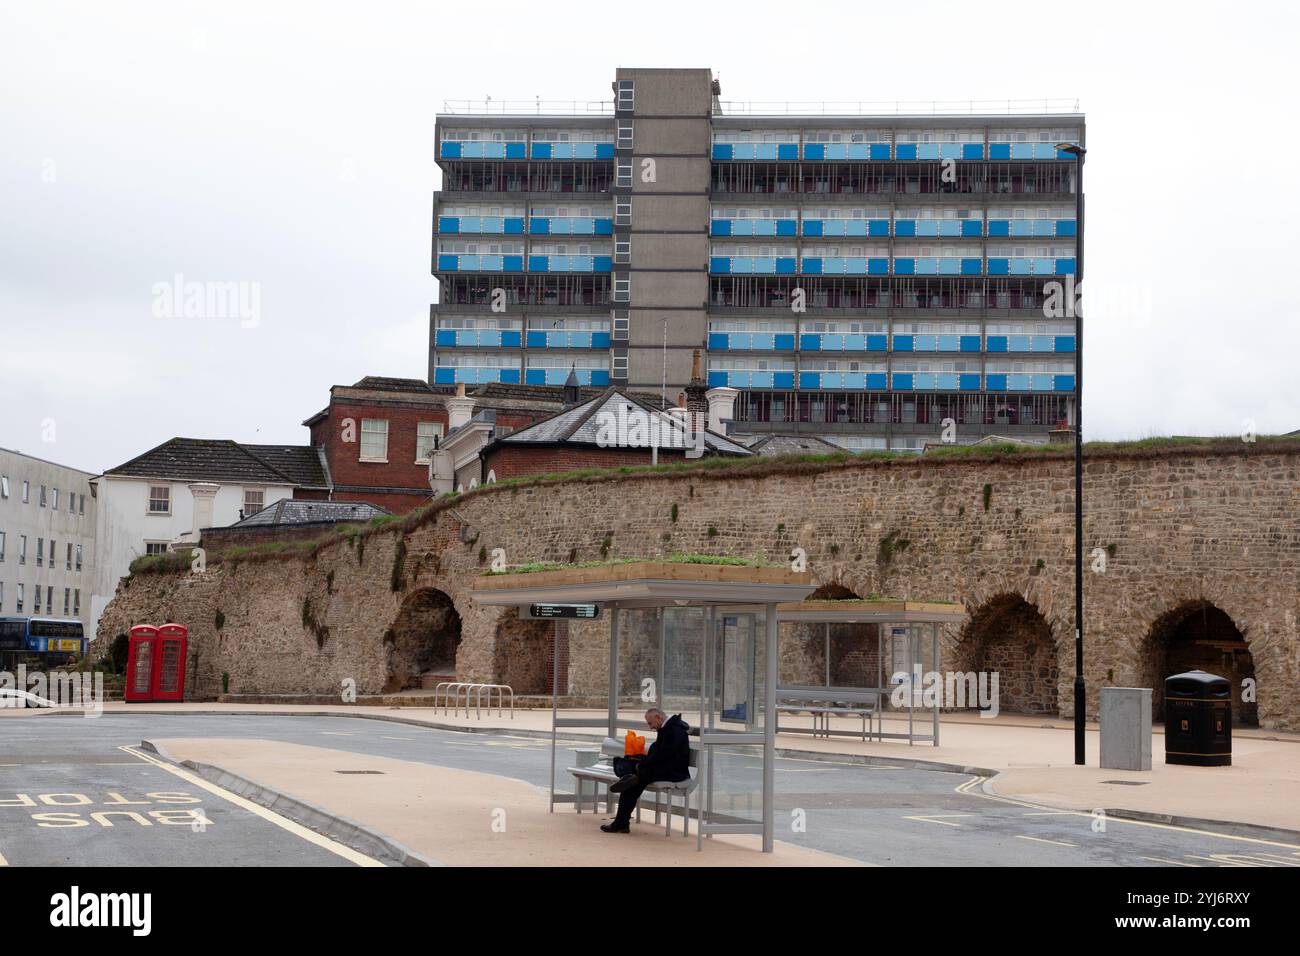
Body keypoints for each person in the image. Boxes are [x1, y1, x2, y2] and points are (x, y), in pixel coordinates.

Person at [600, 707, 690, 834]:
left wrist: (643, 763)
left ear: (658, 717)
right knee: (624, 763)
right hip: (662, 768)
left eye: (650, 723)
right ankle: (628, 777)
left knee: (632, 782)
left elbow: (665, 755)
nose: (650, 727)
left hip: (672, 772)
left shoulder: (675, 730)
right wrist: (642, 761)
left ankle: (621, 822)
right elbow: (660, 753)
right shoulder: (668, 728)